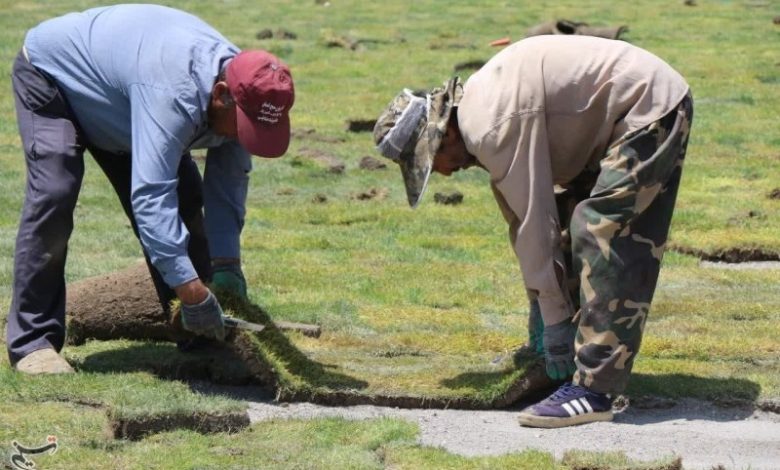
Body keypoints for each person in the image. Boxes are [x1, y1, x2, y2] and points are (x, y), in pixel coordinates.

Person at [373, 35, 692, 428]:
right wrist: (546, 313)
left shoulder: (489, 127)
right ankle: (571, 361)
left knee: (599, 231)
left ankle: (594, 389)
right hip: (619, 118)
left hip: (648, 108)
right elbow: (534, 221)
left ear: (446, 134)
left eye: (430, 161)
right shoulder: (481, 111)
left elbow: (534, 225)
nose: (440, 172)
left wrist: (555, 322)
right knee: (571, 223)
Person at [7, 4, 294, 374]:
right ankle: (33, 342)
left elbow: (227, 186)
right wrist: (190, 290)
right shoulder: (173, 92)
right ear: (221, 94)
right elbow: (151, 196)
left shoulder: (252, 95)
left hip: (125, 103)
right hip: (56, 81)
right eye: (242, 127)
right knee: (54, 192)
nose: (243, 136)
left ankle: (199, 333)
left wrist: (227, 266)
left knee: (186, 202)